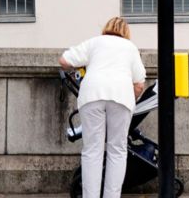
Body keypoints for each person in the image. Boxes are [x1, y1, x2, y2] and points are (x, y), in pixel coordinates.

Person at [59, 17, 146, 198]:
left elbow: (64, 61)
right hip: (121, 97)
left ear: (106, 28)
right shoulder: (130, 48)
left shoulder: (94, 43)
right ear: (126, 33)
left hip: (92, 95)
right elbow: (139, 84)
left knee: (92, 150)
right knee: (117, 150)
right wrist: (132, 98)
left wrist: (86, 64)